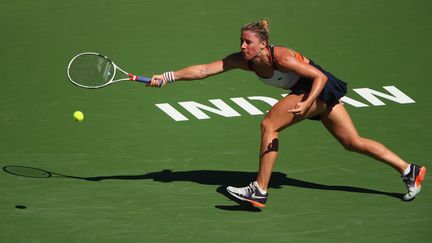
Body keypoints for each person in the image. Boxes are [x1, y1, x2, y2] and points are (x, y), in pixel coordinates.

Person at [149, 19, 426, 207]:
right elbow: (204, 70)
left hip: (318, 89)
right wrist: (167, 76)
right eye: (241, 41)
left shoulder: (281, 57)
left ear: (262, 43)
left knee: (269, 124)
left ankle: (259, 190)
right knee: (352, 142)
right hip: (310, 94)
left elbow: (319, 77)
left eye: (247, 42)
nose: (242, 46)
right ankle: (408, 170)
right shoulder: (244, 62)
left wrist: (307, 104)